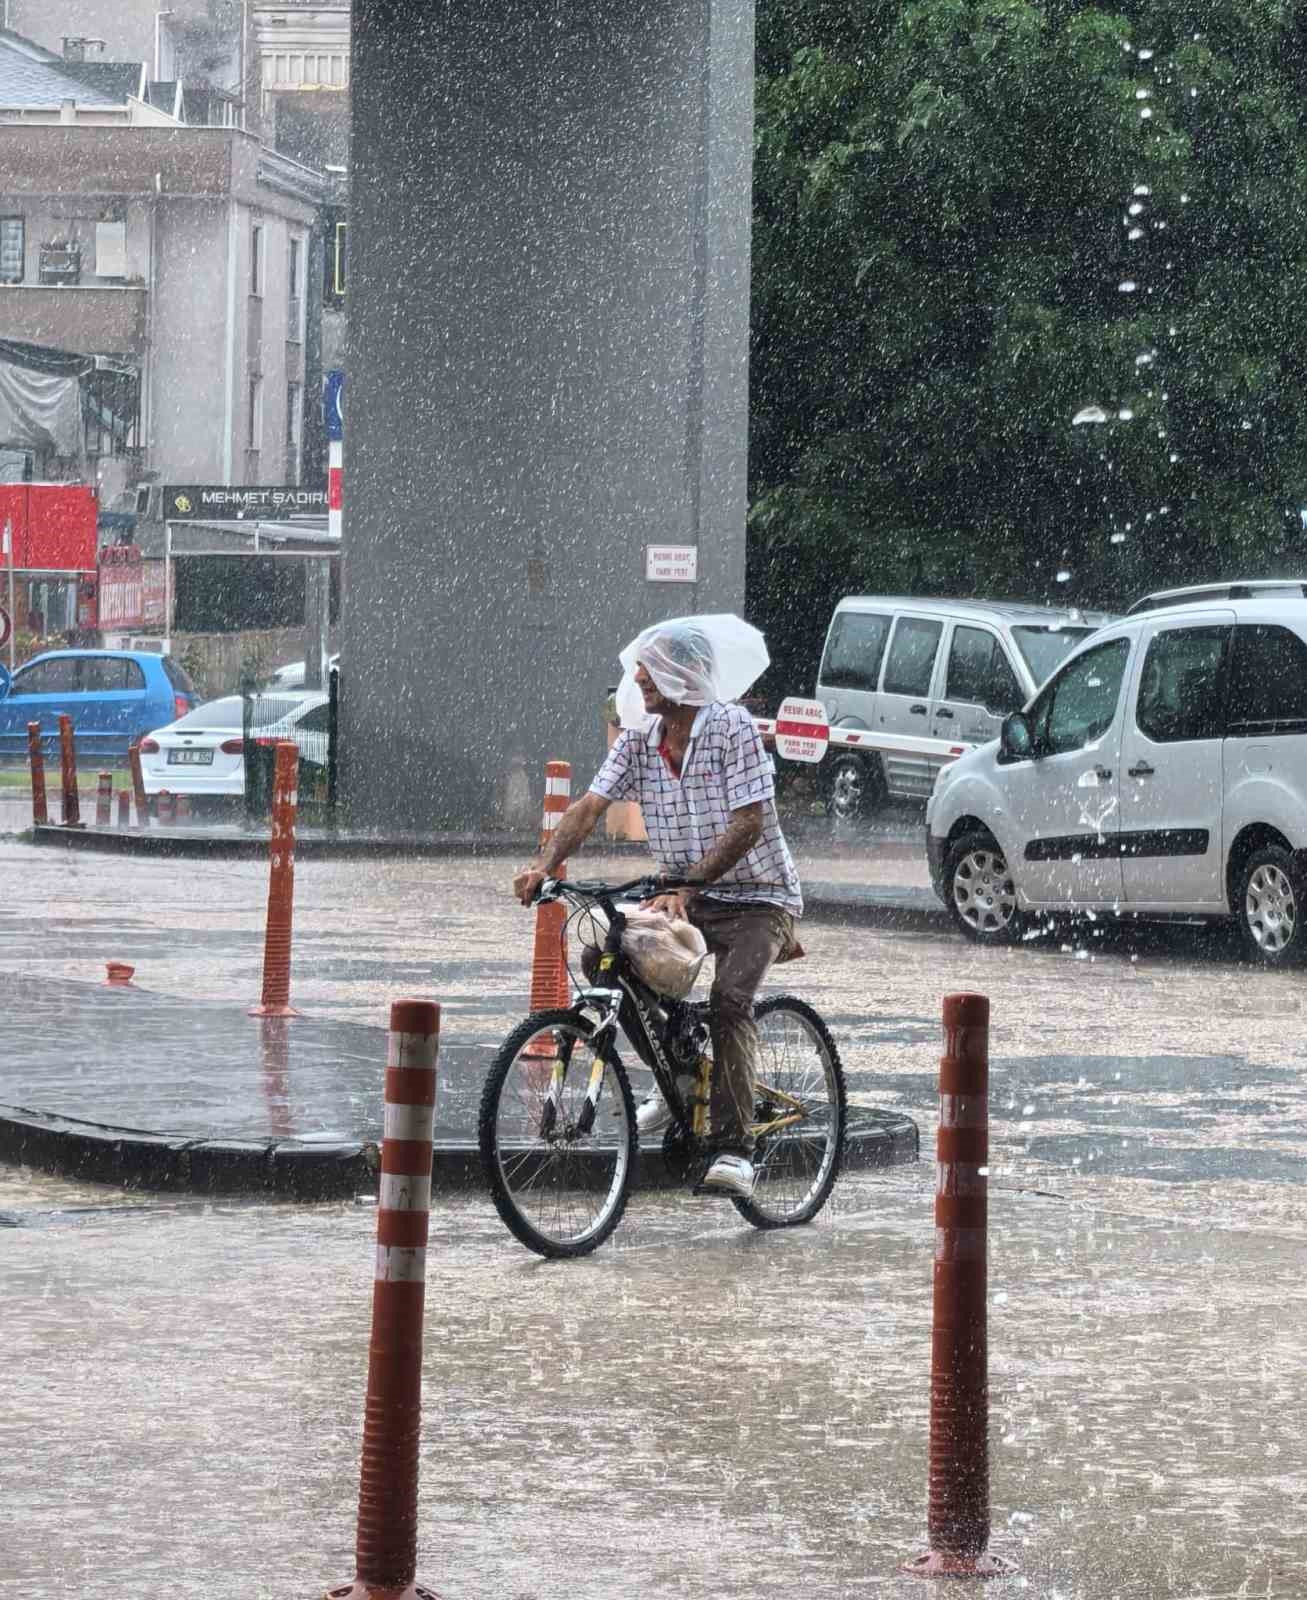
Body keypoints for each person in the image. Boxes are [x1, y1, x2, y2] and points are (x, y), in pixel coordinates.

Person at [514, 618, 803, 1201]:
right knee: (605, 955)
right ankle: (679, 1079)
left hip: (758, 898)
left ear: (685, 674)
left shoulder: (732, 729)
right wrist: (546, 867)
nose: (638, 678)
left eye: (650, 667)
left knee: (729, 1001)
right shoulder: (639, 740)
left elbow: (748, 824)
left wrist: (691, 887)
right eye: (639, 667)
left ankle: (735, 1149)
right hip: (683, 893)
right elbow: (590, 806)